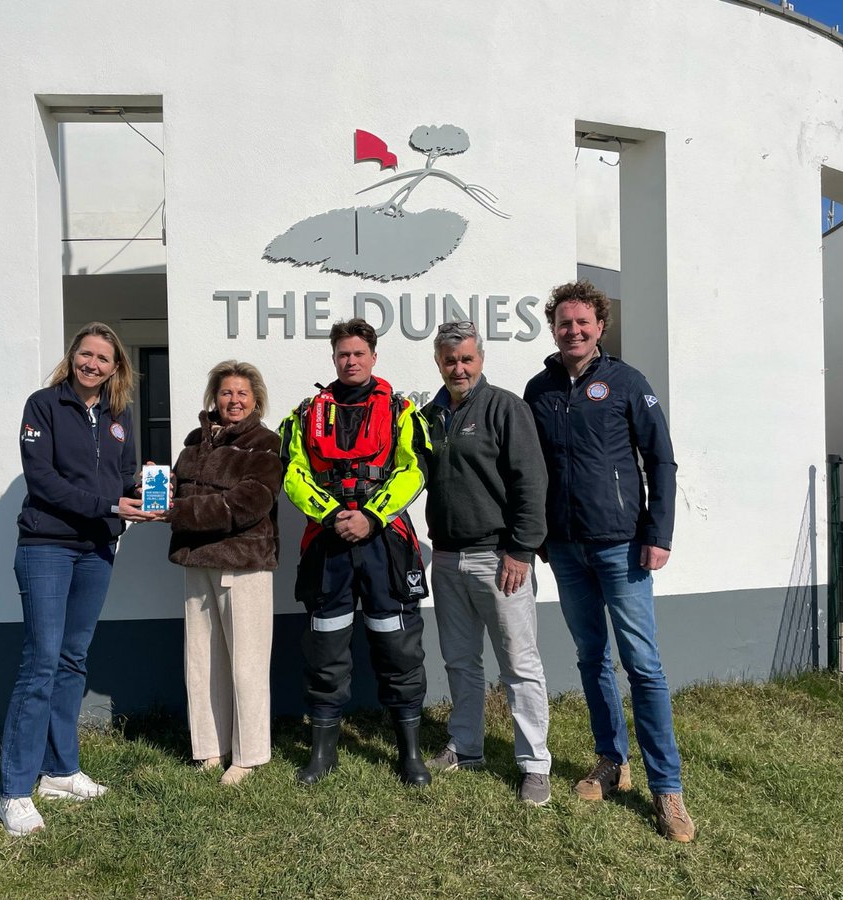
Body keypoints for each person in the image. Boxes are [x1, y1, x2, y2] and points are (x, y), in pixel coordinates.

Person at [523, 280, 695, 842]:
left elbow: (660, 460)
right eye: (563, 322)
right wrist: (538, 536)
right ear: (553, 328)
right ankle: (610, 761)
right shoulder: (539, 389)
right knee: (591, 657)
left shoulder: (627, 383)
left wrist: (659, 533)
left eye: (583, 322)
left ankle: (667, 789)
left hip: (622, 545)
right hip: (567, 548)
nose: (573, 330)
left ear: (600, 326)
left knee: (643, 664)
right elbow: (532, 470)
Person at [0, 322, 145, 838]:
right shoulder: (43, 406)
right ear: (73, 357)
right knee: (40, 660)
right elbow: (43, 481)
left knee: (72, 659)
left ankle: (59, 772)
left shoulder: (118, 416)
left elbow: (125, 477)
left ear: (115, 368)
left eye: (104, 359)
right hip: (48, 546)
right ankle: (15, 790)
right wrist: (109, 504)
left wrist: (147, 494)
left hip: (97, 548)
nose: (93, 365)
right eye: (86, 354)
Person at [279, 318, 434, 787]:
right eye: (343, 354)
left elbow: (414, 469)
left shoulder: (403, 410)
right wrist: (331, 515)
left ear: (373, 357)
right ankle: (323, 753)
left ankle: (410, 753)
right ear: (333, 358)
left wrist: (372, 515)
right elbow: (292, 473)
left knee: (398, 642)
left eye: (359, 354)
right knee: (325, 643)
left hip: (385, 541)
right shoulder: (306, 414)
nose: (351, 361)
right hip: (328, 542)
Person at [420, 321, 553, 806]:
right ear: (438, 362)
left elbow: (531, 483)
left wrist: (521, 549)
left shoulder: (506, 408)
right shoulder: (430, 415)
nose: (459, 368)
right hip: (448, 556)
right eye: (450, 360)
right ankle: (467, 746)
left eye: (467, 360)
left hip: (499, 557)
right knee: (460, 660)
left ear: (480, 361)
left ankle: (535, 764)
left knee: (519, 663)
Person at [151, 360, 283, 786]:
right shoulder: (194, 441)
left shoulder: (266, 443)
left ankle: (248, 756)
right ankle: (209, 748)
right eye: (226, 392)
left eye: (243, 393)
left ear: (256, 400)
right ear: (214, 397)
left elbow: (248, 504)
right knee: (202, 661)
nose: (234, 400)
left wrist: (179, 511)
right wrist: (153, 490)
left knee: (246, 662)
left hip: (244, 564)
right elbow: (179, 486)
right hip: (198, 560)